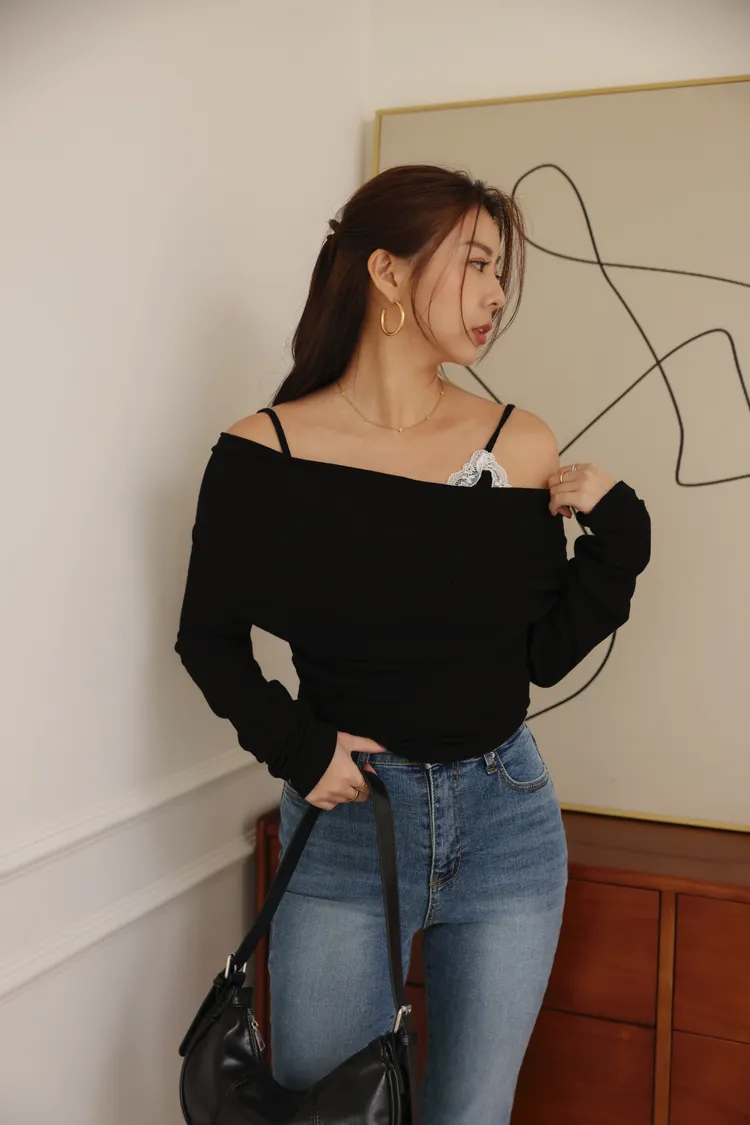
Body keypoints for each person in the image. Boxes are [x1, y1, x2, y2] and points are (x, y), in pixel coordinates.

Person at [174, 163, 651, 1124]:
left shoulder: (517, 444)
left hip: (507, 821)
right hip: (346, 826)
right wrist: (298, 746)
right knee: (332, 1110)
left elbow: (540, 655)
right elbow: (208, 637)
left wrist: (621, 543)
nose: (497, 293)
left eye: (500, 271)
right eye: (476, 263)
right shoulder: (262, 455)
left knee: (471, 1113)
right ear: (387, 272)